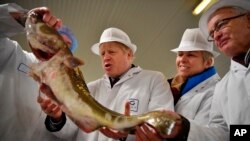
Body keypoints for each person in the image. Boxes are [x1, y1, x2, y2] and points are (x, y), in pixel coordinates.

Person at [138, 0, 250, 141]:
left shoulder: (215, 90)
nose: (216, 36)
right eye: (212, 33)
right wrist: (184, 128)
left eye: (221, 24)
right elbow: (224, 134)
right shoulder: (224, 88)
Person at [40, 27, 175, 141]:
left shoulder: (153, 79)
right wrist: (57, 117)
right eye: (102, 53)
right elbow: (70, 132)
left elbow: (162, 125)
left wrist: (127, 132)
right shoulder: (89, 88)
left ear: (129, 54)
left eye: (111, 52)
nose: (106, 57)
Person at [0, 3, 77, 141]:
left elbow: (72, 132)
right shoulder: (14, 54)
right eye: (56, 38)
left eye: (66, 46)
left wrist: (58, 118)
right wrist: (27, 19)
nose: (59, 47)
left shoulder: (74, 88)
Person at [135, 28, 221, 141]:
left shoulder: (216, 91)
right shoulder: (166, 85)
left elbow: (213, 135)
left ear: (208, 62)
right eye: (180, 54)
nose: (182, 60)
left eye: (191, 55)